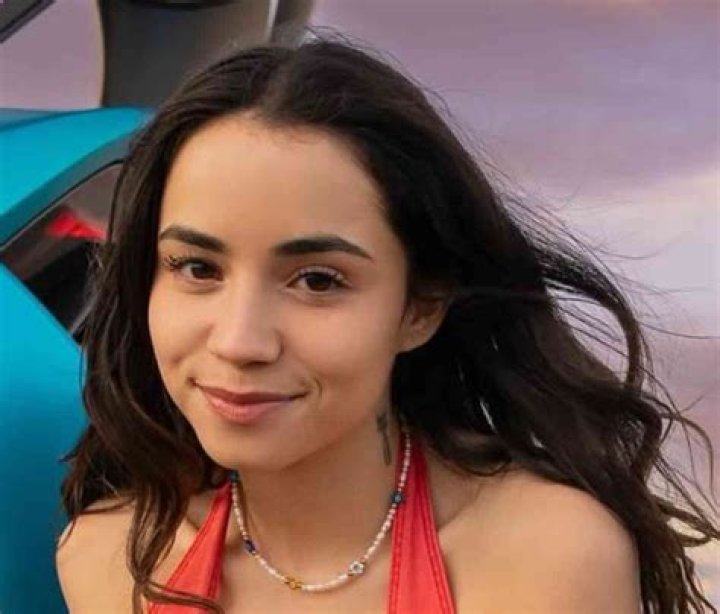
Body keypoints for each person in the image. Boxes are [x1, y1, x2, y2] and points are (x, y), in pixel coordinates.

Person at [55, 35, 717, 613]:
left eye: (318, 280)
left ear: (420, 306)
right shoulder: (110, 559)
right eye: (198, 268)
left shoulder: (545, 558)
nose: (239, 341)